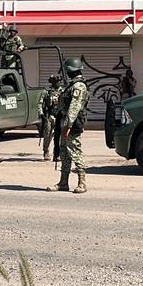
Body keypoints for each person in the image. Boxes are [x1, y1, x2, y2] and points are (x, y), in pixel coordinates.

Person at [49, 57, 90, 194]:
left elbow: (74, 108)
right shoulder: (71, 85)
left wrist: (67, 126)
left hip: (72, 124)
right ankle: (63, 182)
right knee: (64, 153)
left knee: (75, 152)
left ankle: (82, 183)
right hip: (65, 122)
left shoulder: (79, 86)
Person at [38, 74, 62, 161]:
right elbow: (40, 103)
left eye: (59, 81)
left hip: (59, 115)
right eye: (56, 81)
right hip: (49, 115)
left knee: (58, 136)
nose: (58, 82)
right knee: (48, 134)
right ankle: (46, 151)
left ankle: (57, 154)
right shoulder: (47, 91)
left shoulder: (62, 91)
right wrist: (41, 114)